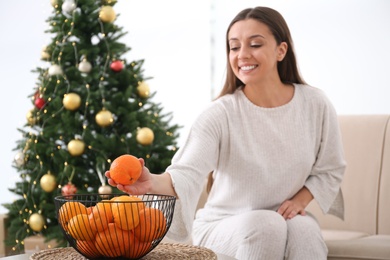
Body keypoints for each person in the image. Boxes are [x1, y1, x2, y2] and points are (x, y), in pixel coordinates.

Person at [106, 6, 346, 260]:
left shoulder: (315, 104)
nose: (242, 55)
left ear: (281, 50)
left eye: (254, 44)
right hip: (222, 226)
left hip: (283, 216)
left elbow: (330, 167)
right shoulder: (220, 114)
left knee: (305, 231)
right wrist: (151, 182)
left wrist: (300, 200)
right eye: (234, 47)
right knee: (266, 225)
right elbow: (187, 172)